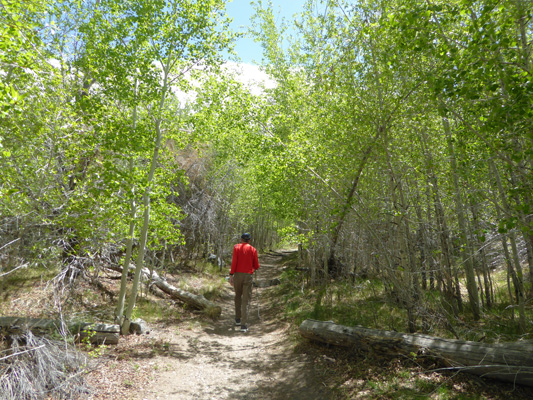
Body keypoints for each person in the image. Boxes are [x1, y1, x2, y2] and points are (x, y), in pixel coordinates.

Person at [229, 233, 259, 332]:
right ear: (249, 240)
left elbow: (234, 261)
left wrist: (231, 274)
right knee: (246, 299)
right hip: (248, 276)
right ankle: (244, 325)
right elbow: (256, 265)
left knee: (238, 295)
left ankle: (237, 319)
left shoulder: (236, 247)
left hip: (237, 275)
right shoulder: (253, 249)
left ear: (241, 239)